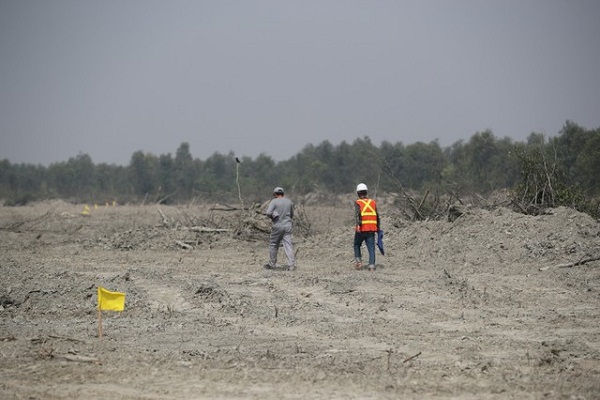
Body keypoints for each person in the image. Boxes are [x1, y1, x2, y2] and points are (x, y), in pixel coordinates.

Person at [264, 187, 296, 271]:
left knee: (274, 244)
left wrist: (273, 216)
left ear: (275, 194)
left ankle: (272, 264)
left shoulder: (274, 201)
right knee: (288, 245)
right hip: (288, 225)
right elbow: (292, 215)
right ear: (283, 194)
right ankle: (291, 265)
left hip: (278, 225)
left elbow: (268, 213)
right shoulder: (289, 202)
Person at [353, 183, 380, 271]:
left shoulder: (358, 202)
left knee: (357, 244)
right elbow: (377, 215)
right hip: (372, 228)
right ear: (366, 192)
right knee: (371, 248)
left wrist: (358, 225)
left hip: (362, 228)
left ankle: (359, 262)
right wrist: (378, 227)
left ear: (358, 193)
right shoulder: (373, 202)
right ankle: (371, 266)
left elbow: (357, 215)